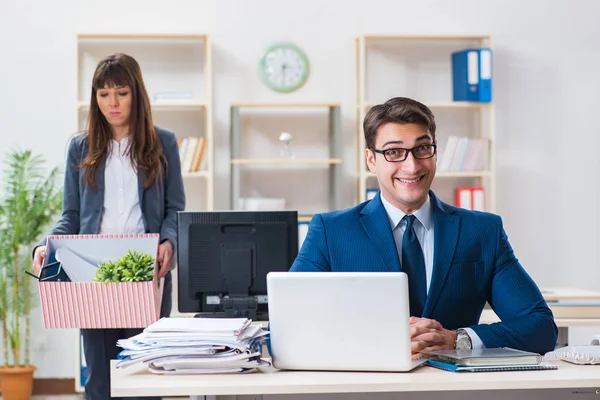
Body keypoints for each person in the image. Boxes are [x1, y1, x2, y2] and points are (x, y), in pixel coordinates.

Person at [290, 97, 557, 359]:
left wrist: (458, 339)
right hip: (368, 387)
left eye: (422, 148)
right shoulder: (330, 231)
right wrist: (380, 338)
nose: (412, 165)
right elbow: (290, 324)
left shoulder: (482, 230)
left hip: (453, 390)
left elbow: (540, 328)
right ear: (371, 159)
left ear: (435, 152)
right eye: (394, 152)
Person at [32, 53, 185, 400]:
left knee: (143, 375)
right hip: (91, 272)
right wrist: (46, 246)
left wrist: (168, 242)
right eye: (103, 94)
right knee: (99, 377)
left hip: (146, 272)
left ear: (137, 94)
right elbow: (70, 215)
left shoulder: (164, 144)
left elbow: (174, 208)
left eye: (121, 92)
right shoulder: (80, 147)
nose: (112, 103)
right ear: (95, 98)